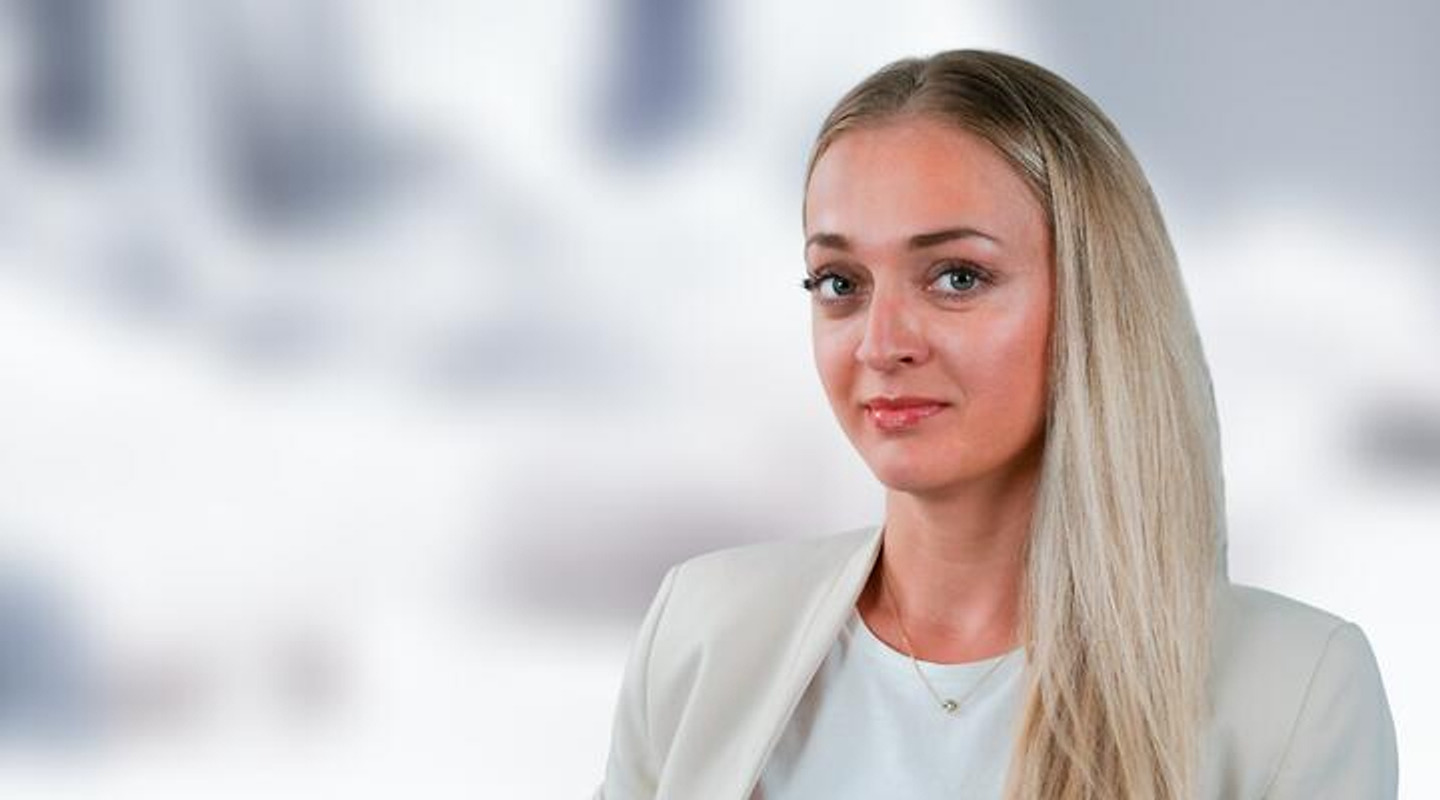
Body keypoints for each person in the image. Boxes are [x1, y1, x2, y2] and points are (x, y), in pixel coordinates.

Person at [592, 49, 1398, 800]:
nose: (881, 343)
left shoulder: (1295, 691)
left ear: (1094, 302)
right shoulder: (703, 632)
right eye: (840, 282)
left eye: (956, 277)